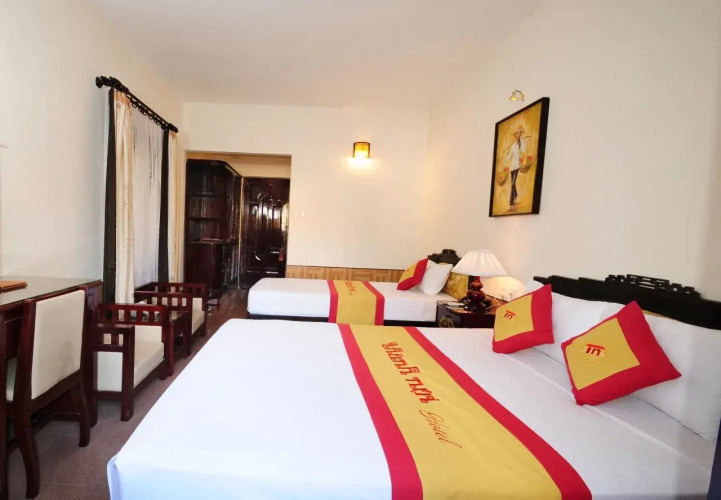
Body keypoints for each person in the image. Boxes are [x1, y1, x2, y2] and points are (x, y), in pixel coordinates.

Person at [506, 124, 527, 208]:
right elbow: (509, 157)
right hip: (512, 167)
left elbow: (523, 151)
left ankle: (511, 202)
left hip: (517, 165)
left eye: (518, 133)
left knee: (513, 183)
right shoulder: (513, 145)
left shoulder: (521, 143)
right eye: (516, 133)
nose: (517, 135)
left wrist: (524, 143)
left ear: (520, 134)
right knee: (513, 184)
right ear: (514, 135)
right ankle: (515, 195)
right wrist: (507, 154)